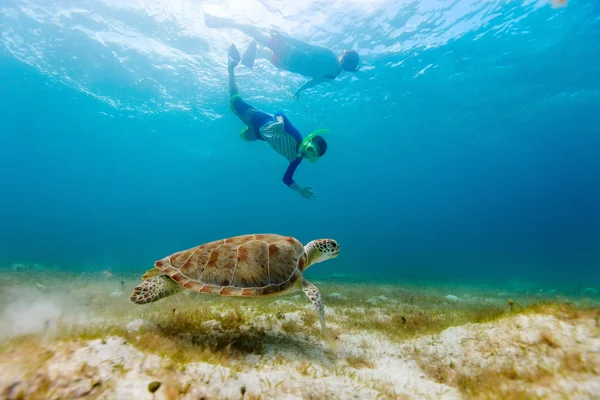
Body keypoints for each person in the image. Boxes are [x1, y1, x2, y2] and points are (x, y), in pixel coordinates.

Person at [227, 44, 329, 199]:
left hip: (259, 135)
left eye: (311, 155)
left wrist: (300, 190)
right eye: (310, 149)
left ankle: (244, 126)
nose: (307, 154)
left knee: (242, 137)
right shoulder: (296, 136)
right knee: (234, 102)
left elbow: (286, 179)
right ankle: (231, 66)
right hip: (259, 119)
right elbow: (278, 113)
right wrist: (281, 123)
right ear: (308, 141)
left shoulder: (296, 160)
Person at [205, 13, 360, 99]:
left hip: (286, 64)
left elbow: (314, 82)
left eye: (348, 65)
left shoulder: (332, 74)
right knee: (259, 35)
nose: (344, 65)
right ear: (342, 54)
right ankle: (230, 22)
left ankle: (255, 47)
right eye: (346, 61)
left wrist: (299, 90)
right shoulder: (328, 55)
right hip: (288, 52)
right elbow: (305, 46)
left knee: (264, 52)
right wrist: (284, 37)